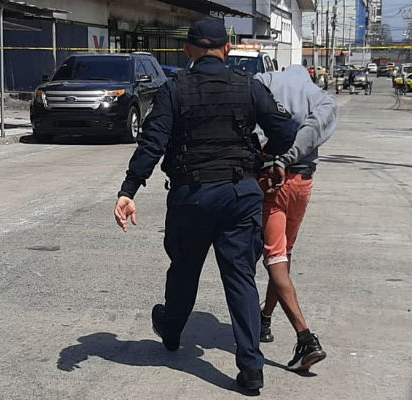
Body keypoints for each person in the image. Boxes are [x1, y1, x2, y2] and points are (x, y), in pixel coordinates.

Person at [113, 18, 298, 392]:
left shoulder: (173, 90)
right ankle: (251, 368)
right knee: (241, 279)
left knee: (184, 270)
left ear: (188, 51)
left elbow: (153, 142)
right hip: (239, 195)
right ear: (227, 50)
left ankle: (171, 330)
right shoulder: (250, 87)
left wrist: (129, 189)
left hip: (191, 197)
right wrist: (264, 156)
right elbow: (287, 130)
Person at [254, 65, 338, 371]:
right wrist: (291, 157)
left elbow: (249, 125)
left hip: (272, 181)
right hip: (302, 183)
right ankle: (264, 319)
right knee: (283, 257)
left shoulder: (262, 84)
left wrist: (276, 159)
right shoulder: (322, 99)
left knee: (274, 258)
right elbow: (312, 130)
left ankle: (306, 337)